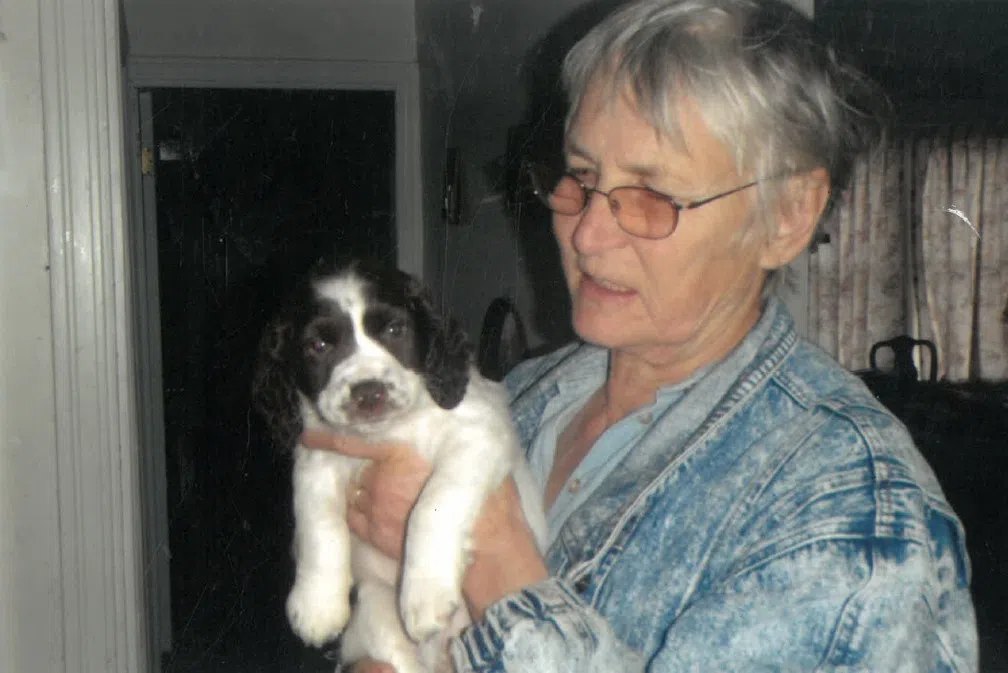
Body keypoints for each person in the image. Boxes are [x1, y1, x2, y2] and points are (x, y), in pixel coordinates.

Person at [301, 0, 979, 670]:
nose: (588, 235)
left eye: (652, 196)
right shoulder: (529, 392)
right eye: (581, 176)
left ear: (788, 216)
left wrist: (494, 560)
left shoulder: (853, 516)